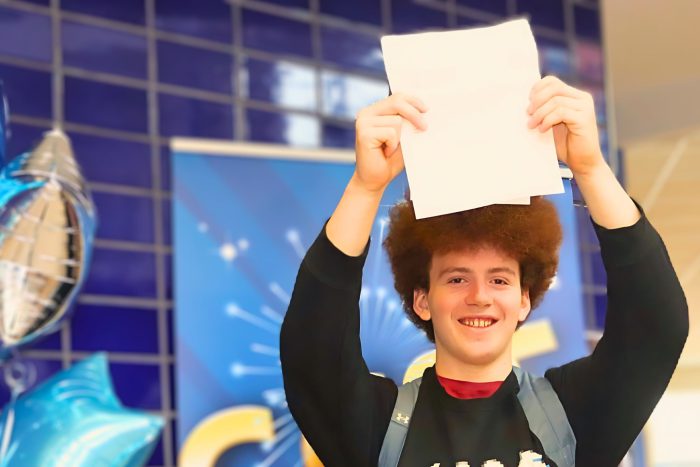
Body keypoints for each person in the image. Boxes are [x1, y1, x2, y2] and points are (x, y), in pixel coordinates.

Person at [280, 75, 688, 466]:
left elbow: (655, 326)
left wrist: (591, 169)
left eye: (499, 279)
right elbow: (311, 345)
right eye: (457, 278)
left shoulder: (573, 417)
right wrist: (366, 187)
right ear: (422, 300)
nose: (480, 295)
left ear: (524, 299)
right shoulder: (376, 426)